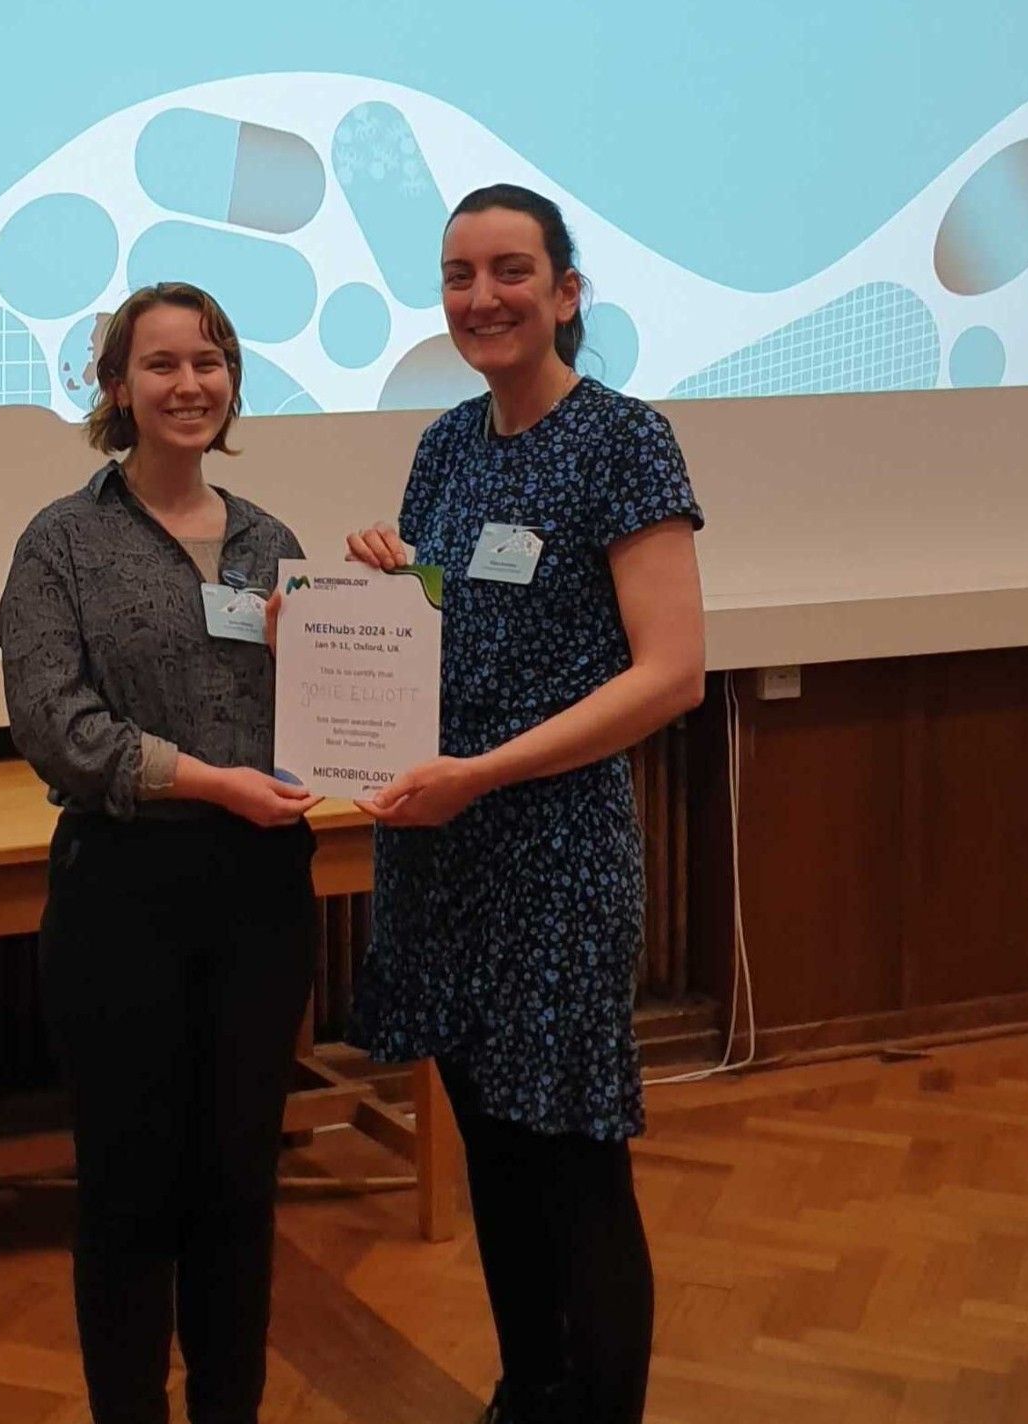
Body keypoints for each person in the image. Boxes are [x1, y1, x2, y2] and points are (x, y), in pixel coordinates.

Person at [345, 185, 706, 1424]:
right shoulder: (443, 442)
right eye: (456, 274)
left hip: (550, 853)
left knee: (574, 1165)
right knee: (494, 1155)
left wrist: (482, 775)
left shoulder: (623, 439)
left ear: (564, 291)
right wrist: (390, 594)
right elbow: (464, 627)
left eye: (509, 270)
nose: (479, 297)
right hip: (440, 852)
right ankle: (526, 1395)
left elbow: (668, 672)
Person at [0, 281, 318, 1424]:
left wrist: (394, 589)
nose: (189, 384)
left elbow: (353, 700)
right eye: (161, 363)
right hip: (120, 896)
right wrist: (207, 777)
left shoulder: (274, 544)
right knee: (129, 1192)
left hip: (260, 897)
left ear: (232, 379)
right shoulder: (62, 542)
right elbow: (56, 724)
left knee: (237, 1184)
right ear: (115, 386)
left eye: (210, 361)